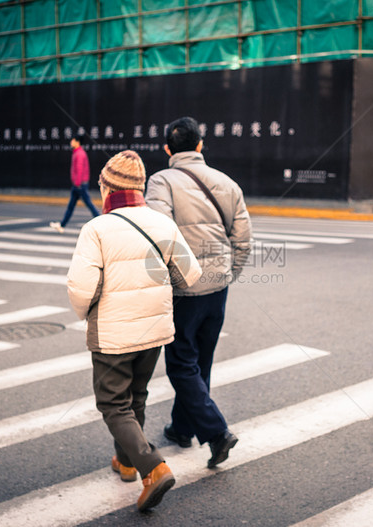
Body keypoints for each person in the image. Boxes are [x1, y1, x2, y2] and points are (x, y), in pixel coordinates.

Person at [66, 150, 202, 512]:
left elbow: (81, 290)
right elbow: (191, 275)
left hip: (113, 333)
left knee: (113, 403)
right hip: (154, 329)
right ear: (141, 187)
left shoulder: (96, 228)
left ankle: (152, 466)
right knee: (135, 396)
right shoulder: (162, 223)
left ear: (107, 187)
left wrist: (87, 311)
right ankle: (127, 462)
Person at [144, 116, 252, 469]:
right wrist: (227, 275)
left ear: (167, 149)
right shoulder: (227, 182)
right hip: (218, 288)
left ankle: (217, 433)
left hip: (184, 290)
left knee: (180, 364)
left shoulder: (161, 181)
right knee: (200, 361)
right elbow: (243, 239)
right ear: (201, 145)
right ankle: (182, 428)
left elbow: (159, 235)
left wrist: (170, 279)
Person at [51, 134, 100, 233]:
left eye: (72, 140)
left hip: (79, 185)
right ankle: (62, 225)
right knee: (72, 206)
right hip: (78, 184)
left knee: (88, 204)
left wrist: (77, 184)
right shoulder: (77, 153)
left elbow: (79, 169)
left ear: (77, 142)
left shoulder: (79, 154)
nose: (71, 142)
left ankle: (101, 221)